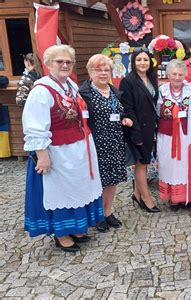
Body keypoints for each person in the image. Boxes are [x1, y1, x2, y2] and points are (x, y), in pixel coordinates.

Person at [22, 45, 103, 252]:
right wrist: (42, 155)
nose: (65, 65)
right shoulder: (41, 91)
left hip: (77, 148)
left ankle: (76, 227)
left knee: (76, 188)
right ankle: (61, 233)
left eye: (68, 62)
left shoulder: (70, 86)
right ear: (48, 64)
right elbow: (35, 126)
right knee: (61, 192)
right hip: (57, 151)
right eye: (60, 61)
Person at [79, 54, 133, 231]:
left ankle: (108, 212)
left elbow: (119, 111)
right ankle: (97, 215)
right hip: (97, 143)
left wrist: (125, 119)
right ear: (90, 72)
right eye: (98, 69)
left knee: (113, 180)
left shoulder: (114, 91)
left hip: (115, 141)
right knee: (99, 181)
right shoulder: (84, 93)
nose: (103, 73)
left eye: (106, 69)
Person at [156, 59, 191, 211]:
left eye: (180, 74)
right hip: (167, 135)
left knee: (186, 165)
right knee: (169, 165)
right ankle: (174, 198)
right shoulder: (161, 91)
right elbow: (155, 111)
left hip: (186, 135)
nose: (177, 77)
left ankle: (187, 196)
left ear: (185, 75)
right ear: (168, 75)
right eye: (174, 74)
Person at [119, 48, 160, 213]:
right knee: (141, 164)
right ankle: (146, 198)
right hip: (136, 129)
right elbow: (127, 108)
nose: (142, 63)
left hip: (149, 127)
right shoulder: (127, 81)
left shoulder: (150, 78)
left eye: (145, 60)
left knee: (144, 162)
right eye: (139, 60)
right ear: (133, 62)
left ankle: (137, 194)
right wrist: (136, 134)